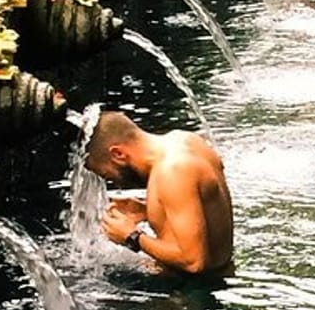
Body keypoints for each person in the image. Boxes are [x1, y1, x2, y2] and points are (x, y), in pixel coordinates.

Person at [85, 111, 234, 276]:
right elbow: (204, 209)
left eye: (108, 175)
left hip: (193, 293)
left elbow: (194, 262)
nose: (116, 182)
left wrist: (131, 236)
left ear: (118, 154)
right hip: (219, 273)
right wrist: (147, 211)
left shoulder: (172, 171)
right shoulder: (185, 139)